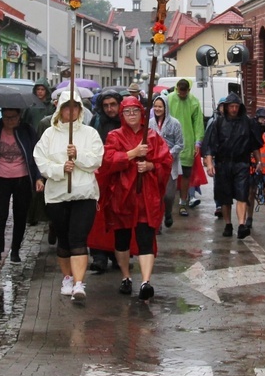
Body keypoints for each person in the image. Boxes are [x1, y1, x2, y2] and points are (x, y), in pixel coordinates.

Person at [33, 90, 103, 301]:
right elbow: (41, 161)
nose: (70, 111)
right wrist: (61, 167)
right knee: (63, 240)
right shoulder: (49, 134)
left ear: (80, 110)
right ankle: (67, 277)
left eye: (75, 107)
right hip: (57, 196)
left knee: (78, 238)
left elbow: (97, 159)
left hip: (84, 194)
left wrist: (78, 156)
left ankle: (79, 283)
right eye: (66, 107)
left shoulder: (90, 134)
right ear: (60, 109)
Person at [99, 96, 172, 300]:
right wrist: (131, 154)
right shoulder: (114, 136)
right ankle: (126, 277)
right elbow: (108, 160)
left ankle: (146, 282)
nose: (132, 115)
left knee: (145, 237)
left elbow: (165, 161)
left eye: (135, 111)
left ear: (142, 113)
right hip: (122, 196)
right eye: (127, 112)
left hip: (146, 196)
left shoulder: (153, 137)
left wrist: (150, 166)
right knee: (121, 238)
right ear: (122, 115)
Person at [0, 108, 44, 270]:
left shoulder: (27, 131)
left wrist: (38, 177)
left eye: (13, 117)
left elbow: (37, 155)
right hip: (0, 179)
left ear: (19, 117)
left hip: (22, 178)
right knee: (0, 215)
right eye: (5, 117)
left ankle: (15, 251)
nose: (9, 121)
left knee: (20, 215)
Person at [203, 92, 262, 239]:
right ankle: (228, 224)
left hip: (241, 163)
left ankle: (241, 225)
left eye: (236, 106)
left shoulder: (247, 123)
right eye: (231, 106)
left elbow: (255, 145)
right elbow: (209, 145)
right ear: (226, 107)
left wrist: (259, 161)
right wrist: (210, 164)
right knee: (225, 196)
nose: (234, 109)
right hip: (223, 164)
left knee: (242, 194)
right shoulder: (218, 123)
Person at [87, 89, 123, 272]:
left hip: (121, 173)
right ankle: (99, 255)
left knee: (120, 213)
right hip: (101, 172)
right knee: (98, 214)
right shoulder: (97, 121)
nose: (110, 109)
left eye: (113, 104)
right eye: (106, 105)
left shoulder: (126, 121)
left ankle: (119, 254)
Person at [168, 78, 204, 217]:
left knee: (186, 175)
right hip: (170, 142)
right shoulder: (169, 99)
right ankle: (167, 204)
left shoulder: (194, 101)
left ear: (188, 90)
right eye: (179, 92)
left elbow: (198, 123)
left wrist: (198, 142)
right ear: (176, 89)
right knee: (168, 174)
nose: (181, 95)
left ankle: (183, 203)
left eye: (184, 93)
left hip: (187, 142)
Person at [24, 78, 55, 228]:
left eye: (43, 90)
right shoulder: (30, 107)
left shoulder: (51, 108)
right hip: (33, 143)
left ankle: (47, 214)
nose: (40, 92)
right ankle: (32, 215)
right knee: (34, 180)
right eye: (38, 90)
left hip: (48, 144)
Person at [149, 94, 184, 228]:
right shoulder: (150, 123)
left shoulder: (175, 123)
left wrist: (167, 154)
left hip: (169, 163)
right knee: (155, 195)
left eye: (160, 106)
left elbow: (180, 144)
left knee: (168, 195)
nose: (158, 109)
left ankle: (168, 212)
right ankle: (157, 223)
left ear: (165, 107)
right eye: (155, 106)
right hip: (154, 163)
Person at [201, 97, 226, 218]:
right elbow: (207, 139)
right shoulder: (213, 121)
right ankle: (219, 205)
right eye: (222, 106)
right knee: (218, 182)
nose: (223, 109)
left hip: (229, 157)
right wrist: (206, 156)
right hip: (217, 157)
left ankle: (225, 204)